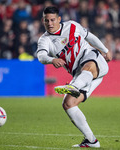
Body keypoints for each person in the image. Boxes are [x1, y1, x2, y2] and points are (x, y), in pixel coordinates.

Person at [37, 6, 112, 148]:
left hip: (93, 60)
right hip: (82, 75)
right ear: (43, 21)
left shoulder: (72, 25)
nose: (50, 24)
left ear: (59, 19)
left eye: (53, 20)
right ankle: (91, 141)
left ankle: (74, 87)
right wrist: (51, 60)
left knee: (87, 65)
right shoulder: (44, 40)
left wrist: (105, 49)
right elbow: (41, 56)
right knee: (68, 104)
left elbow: (89, 36)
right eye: (47, 21)